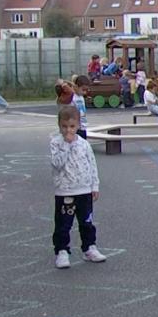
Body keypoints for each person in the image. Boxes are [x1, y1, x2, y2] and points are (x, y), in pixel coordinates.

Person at [50, 106, 106, 269]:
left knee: (86, 222)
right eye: (65, 127)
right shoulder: (56, 143)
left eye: (72, 126)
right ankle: (62, 251)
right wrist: (66, 145)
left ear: (78, 125)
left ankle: (89, 247)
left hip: (84, 190)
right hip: (65, 191)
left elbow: (92, 164)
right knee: (63, 224)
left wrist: (94, 185)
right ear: (59, 126)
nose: (68, 130)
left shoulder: (84, 144)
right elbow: (57, 164)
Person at [71, 75, 90, 139]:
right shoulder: (72, 97)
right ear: (76, 87)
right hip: (76, 128)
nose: (84, 92)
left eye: (86, 90)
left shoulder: (81, 97)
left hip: (83, 127)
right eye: (83, 90)